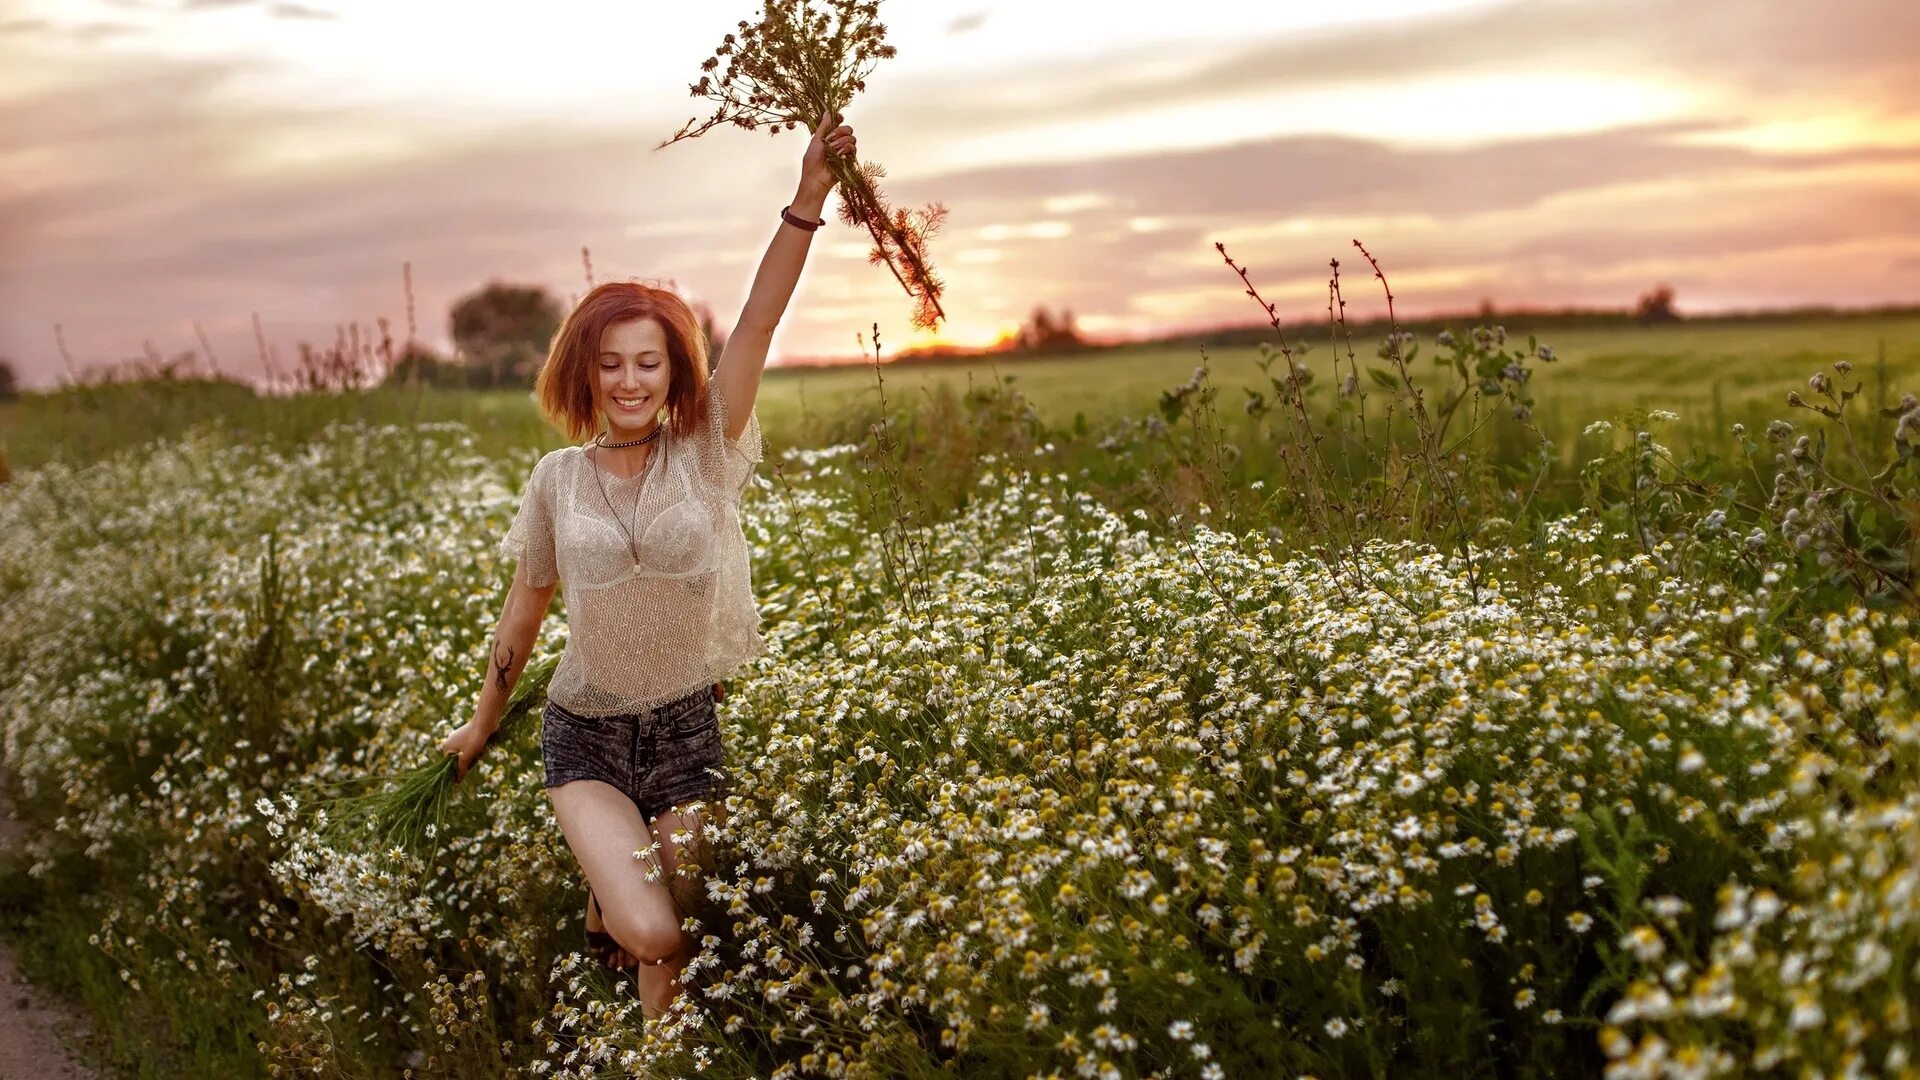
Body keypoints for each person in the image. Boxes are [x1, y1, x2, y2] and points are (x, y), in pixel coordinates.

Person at [438, 111, 857, 1020]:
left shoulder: (706, 452)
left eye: (650, 365)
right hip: (584, 733)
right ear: (585, 375)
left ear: (675, 377)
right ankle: (611, 900)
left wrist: (809, 196)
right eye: (612, 364)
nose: (630, 382)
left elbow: (755, 324)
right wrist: (479, 727)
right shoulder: (556, 478)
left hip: (685, 737)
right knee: (657, 933)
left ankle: (652, 1057)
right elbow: (524, 612)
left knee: (684, 924)